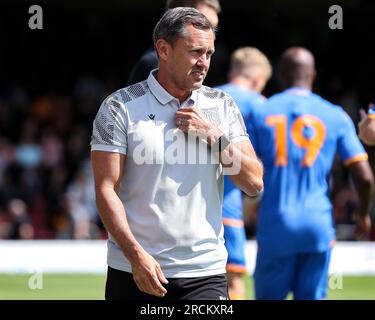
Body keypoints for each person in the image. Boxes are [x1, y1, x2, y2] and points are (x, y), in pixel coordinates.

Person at [91, 7, 263, 300]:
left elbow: (253, 182)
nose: (204, 62)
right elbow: (107, 189)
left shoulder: (222, 105)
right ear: (163, 49)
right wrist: (135, 256)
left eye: (209, 54)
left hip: (205, 273)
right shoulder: (118, 106)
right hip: (134, 270)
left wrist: (215, 139)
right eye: (196, 51)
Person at [246, 47, 374, 300]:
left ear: (281, 76)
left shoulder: (261, 112)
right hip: (317, 224)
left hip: (276, 224)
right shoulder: (334, 115)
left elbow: (244, 165)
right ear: (313, 75)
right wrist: (362, 213)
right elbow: (365, 176)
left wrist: (246, 207)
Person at [215, 47, 272, 300]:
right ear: (259, 80)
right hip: (228, 208)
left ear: (232, 72)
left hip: (189, 206)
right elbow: (265, 164)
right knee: (234, 281)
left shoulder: (206, 96)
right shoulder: (261, 105)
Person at [127, 0, 221, 85]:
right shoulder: (154, 62)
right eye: (201, 24)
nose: (210, 35)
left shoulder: (218, 100)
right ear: (164, 50)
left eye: (214, 29)